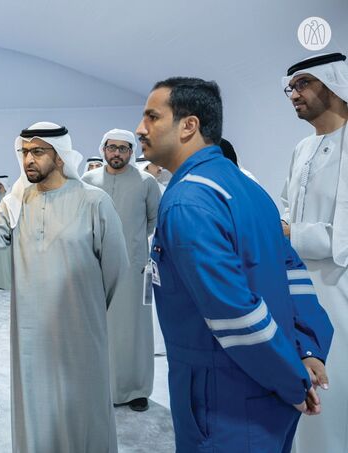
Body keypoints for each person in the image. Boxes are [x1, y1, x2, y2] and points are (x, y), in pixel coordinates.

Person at [137, 77, 332, 452]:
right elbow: (292, 271)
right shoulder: (246, 188)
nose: (140, 128)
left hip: (223, 399)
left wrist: (292, 381)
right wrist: (308, 350)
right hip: (269, 384)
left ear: (189, 125)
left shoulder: (188, 201)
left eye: (152, 117)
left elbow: (232, 312)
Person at [0, 121, 129, 453]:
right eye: (24, 152)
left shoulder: (94, 202)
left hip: (81, 330)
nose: (28, 160)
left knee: (83, 406)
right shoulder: (17, 202)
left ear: (60, 156)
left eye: (38, 152)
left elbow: (115, 269)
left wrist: (87, 308)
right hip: (30, 334)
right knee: (36, 405)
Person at [280, 52, 348, 453]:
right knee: (306, 398)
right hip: (299, 289)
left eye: (303, 83)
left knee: (337, 396)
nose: (294, 94)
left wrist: (289, 232)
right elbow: (286, 207)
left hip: (341, 294)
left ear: (334, 83)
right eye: (290, 87)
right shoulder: (302, 149)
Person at [82, 128, 160, 411]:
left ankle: (136, 390)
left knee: (135, 332)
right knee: (99, 328)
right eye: (112, 147)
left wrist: (134, 246)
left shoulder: (146, 181)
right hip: (95, 267)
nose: (117, 153)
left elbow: (153, 220)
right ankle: (101, 387)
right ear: (103, 149)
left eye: (123, 148)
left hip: (134, 269)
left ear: (131, 152)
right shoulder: (88, 180)